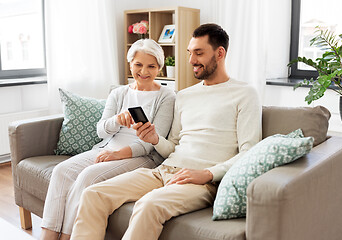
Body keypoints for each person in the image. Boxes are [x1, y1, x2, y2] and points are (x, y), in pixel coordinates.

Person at [70, 23, 262, 240]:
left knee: (148, 205)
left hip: (202, 181)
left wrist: (208, 174)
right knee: (94, 194)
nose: (191, 61)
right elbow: (173, 144)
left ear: (220, 53)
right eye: (190, 53)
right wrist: (154, 139)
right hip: (164, 170)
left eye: (199, 53)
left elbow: (250, 151)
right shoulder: (186, 95)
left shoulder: (245, 94)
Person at [40, 39, 176, 240]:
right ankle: (48, 236)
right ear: (130, 64)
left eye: (151, 66)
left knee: (88, 176)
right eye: (138, 64)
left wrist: (117, 154)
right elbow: (101, 131)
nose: (144, 71)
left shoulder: (167, 96)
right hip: (107, 147)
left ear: (159, 68)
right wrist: (116, 121)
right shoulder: (118, 93)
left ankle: (68, 236)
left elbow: (151, 142)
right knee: (61, 171)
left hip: (140, 156)